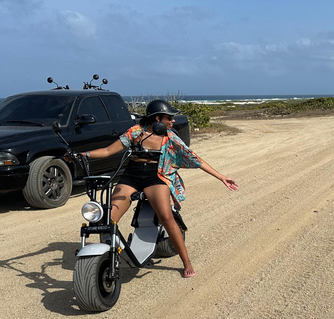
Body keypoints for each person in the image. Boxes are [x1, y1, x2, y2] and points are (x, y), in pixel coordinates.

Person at [80, 99, 238, 278]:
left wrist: (221, 177)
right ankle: (109, 257)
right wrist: (83, 154)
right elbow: (108, 151)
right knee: (107, 219)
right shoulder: (136, 132)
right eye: (169, 118)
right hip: (131, 175)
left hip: (156, 176)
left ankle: (186, 262)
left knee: (166, 217)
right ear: (157, 119)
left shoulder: (170, 137)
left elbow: (194, 158)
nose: (173, 121)